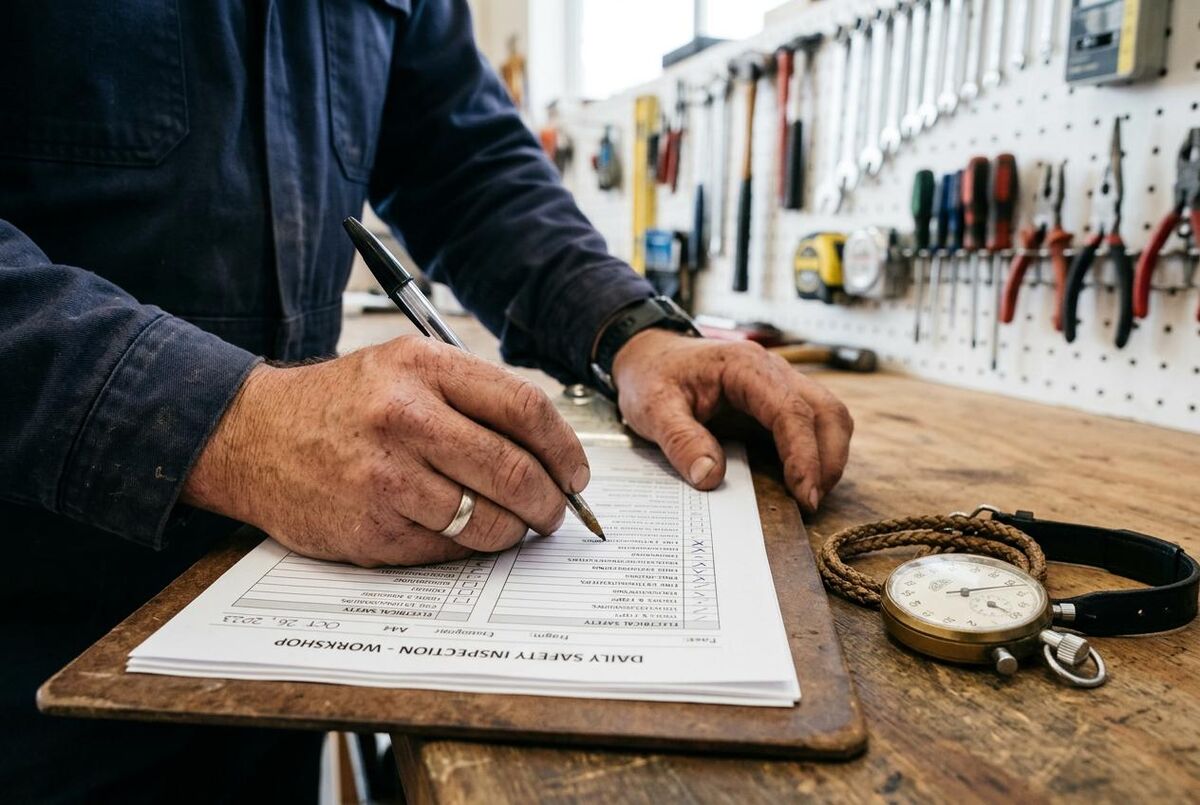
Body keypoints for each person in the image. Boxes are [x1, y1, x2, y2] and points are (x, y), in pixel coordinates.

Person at [0, 1, 852, 800]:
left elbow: (466, 165)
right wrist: (234, 424)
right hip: (38, 637)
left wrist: (631, 331)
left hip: (279, 615)